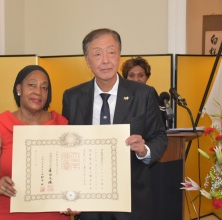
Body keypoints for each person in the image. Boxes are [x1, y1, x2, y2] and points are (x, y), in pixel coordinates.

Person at [61, 28, 168, 220]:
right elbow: (66, 149)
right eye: (97, 54)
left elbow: (159, 137)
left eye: (111, 52)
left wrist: (145, 150)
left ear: (119, 55)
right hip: (88, 203)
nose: (105, 60)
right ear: (87, 60)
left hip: (131, 201)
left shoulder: (143, 94)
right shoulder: (73, 97)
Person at [0, 65, 71, 220]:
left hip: (55, 214)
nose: (38, 92)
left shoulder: (62, 125)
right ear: (19, 88)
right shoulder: (0, 126)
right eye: (32, 85)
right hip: (10, 213)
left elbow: (73, 173)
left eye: (44, 87)